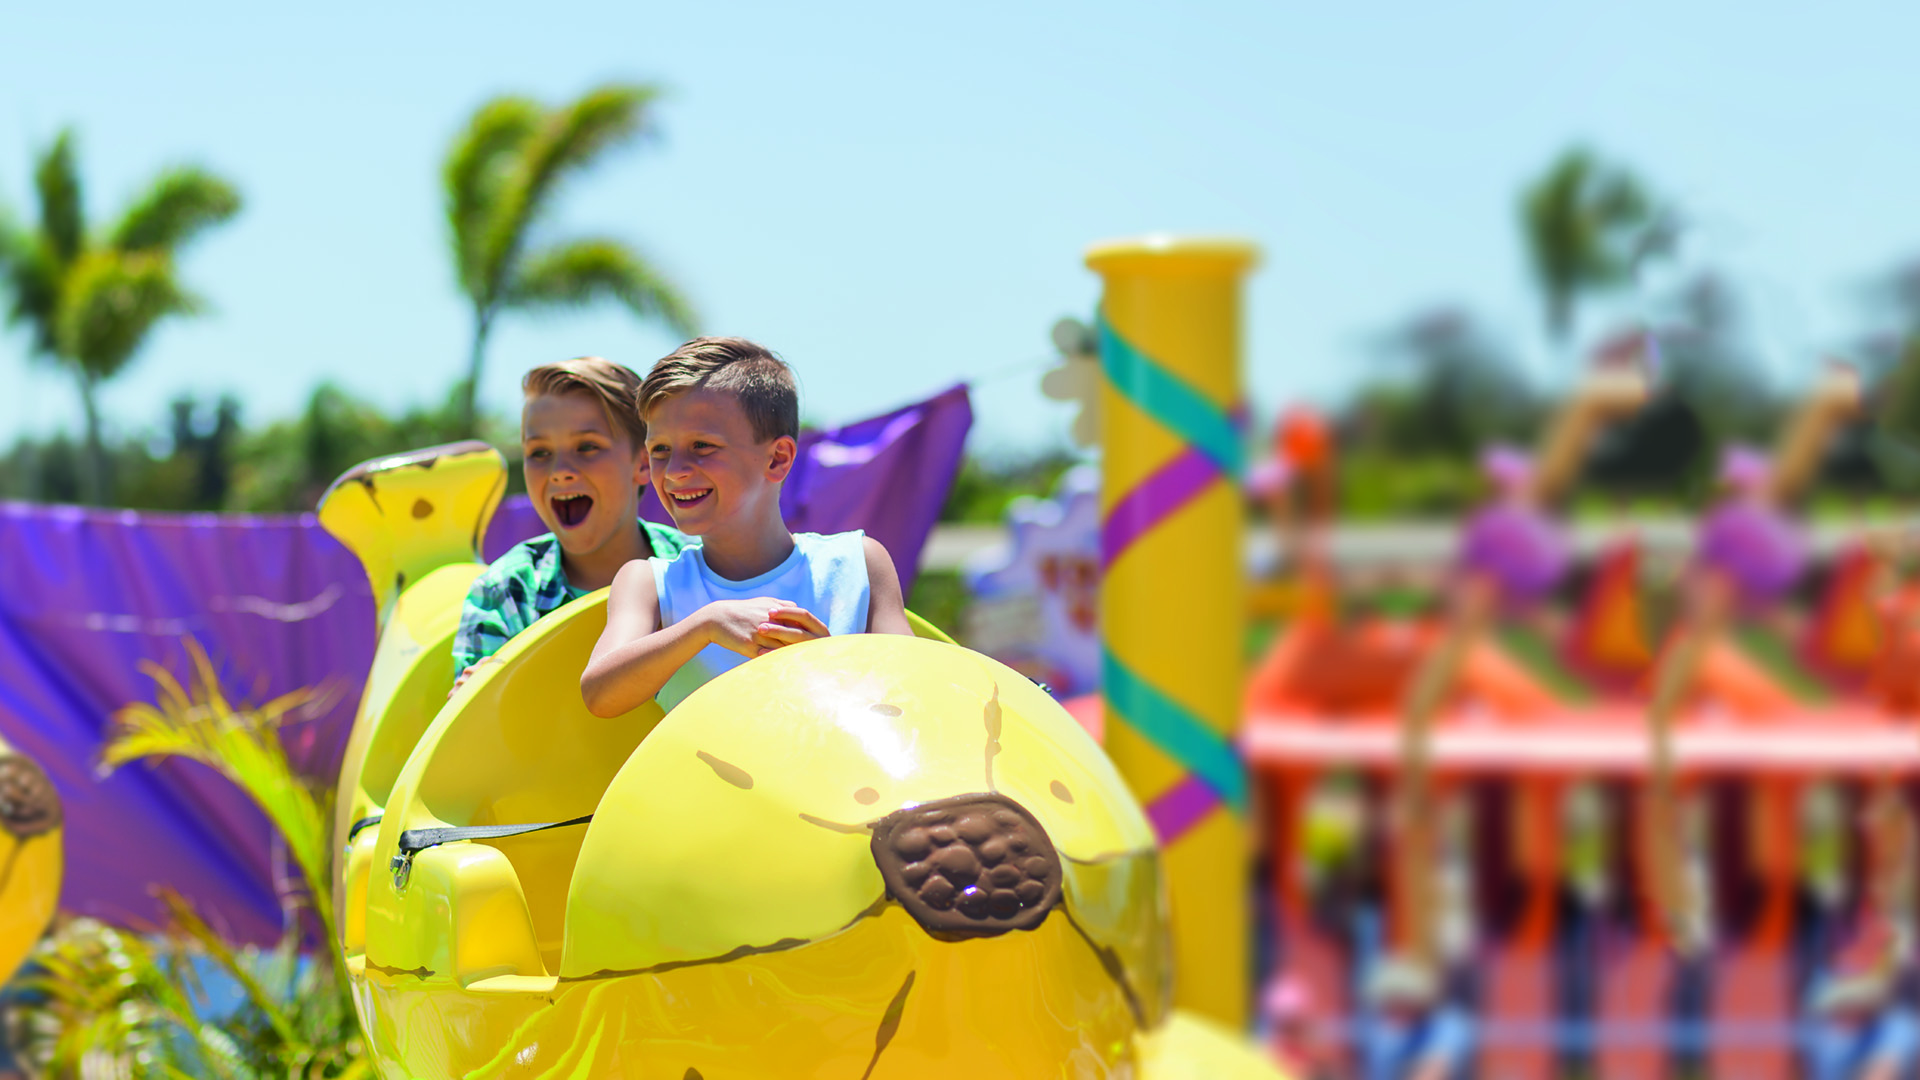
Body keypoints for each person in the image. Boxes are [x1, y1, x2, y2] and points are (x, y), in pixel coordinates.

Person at [582, 337, 912, 716]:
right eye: (660, 450)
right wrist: (706, 624)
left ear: (777, 459)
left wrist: (828, 663)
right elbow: (599, 692)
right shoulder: (649, 583)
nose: (675, 472)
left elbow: (910, 695)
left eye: (702, 446)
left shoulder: (860, 564)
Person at [450, 357, 692, 694]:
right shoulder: (505, 590)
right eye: (539, 452)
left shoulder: (699, 567)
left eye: (587, 447)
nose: (561, 470)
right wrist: (473, 705)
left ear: (642, 462)